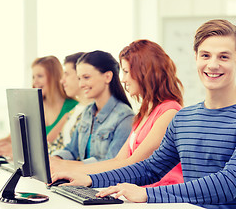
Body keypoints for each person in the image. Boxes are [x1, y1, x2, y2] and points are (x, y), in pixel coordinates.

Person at [52, 19, 236, 209]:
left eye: (224, 57)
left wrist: (147, 195)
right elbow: (150, 168)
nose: (213, 65)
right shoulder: (185, 119)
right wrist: (90, 180)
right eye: (206, 55)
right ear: (196, 58)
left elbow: (228, 185)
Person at [50, 40, 184, 187]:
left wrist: (73, 171)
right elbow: (119, 160)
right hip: (137, 194)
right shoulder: (145, 113)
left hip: (158, 197)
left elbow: (133, 164)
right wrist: (66, 169)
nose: (123, 79)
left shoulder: (169, 112)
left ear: (144, 71)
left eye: (126, 72)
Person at [50, 50, 134, 164]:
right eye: (79, 78)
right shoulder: (87, 112)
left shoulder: (125, 117)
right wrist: (54, 160)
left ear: (108, 77)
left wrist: (70, 166)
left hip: (102, 181)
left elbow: (112, 163)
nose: (81, 84)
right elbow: (71, 150)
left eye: (86, 77)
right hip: (81, 177)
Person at [0, 55, 77, 158]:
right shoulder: (33, 107)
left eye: (40, 76)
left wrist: (13, 150)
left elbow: (46, 144)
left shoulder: (73, 108)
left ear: (54, 77)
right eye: (33, 77)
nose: (35, 82)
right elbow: (12, 138)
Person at [48, 52, 92, 155]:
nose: (62, 81)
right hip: (60, 163)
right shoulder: (74, 110)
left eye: (66, 74)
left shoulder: (93, 111)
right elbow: (53, 144)